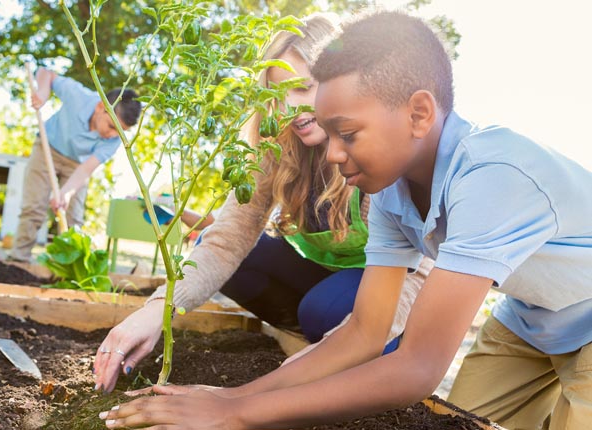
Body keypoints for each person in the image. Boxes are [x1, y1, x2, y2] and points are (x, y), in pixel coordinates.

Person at [99, 11, 592, 430]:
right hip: (529, 319)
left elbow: (418, 366)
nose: (333, 154)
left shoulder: (492, 177)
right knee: (456, 418)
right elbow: (363, 331)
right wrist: (233, 397)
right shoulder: (393, 189)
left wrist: (242, 414)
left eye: (348, 133)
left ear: (419, 113)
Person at [93, 14, 431, 394]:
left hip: (384, 284)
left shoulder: (374, 149)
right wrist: (158, 310)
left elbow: (420, 271)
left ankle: (347, 341)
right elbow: (227, 239)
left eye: (304, 88)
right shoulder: (274, 146)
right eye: (278, 94)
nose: (290, 108)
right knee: (216, 249)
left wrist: (306, 369)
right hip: (320, 275)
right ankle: (308, 336)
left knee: (323, 309)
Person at [8, 68, 142, 262]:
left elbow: (87, 168)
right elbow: (46, 73)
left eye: (121, 131)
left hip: (77, 164)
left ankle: (69, 267)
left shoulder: (114, 141)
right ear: (99, 107)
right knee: (34, 207)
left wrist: (67, 192)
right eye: (112, 126)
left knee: (73, 217)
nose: (113, 134)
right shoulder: (79, 96)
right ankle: (18, 260)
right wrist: (43, 92)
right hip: (48, 148)